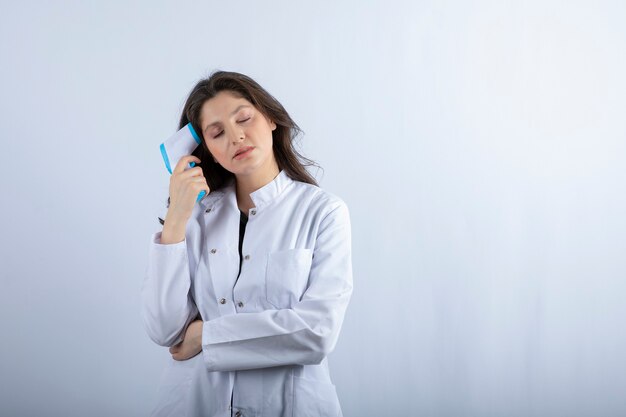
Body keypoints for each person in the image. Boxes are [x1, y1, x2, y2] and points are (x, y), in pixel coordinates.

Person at [141, 70, 353, 417]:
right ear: (203, 148)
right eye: (217, 132)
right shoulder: (194, 217)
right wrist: (177, 215)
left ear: (270, 118)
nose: (236, 136)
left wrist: (206, 337)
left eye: (244, 118)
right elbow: (165, 330)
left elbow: (317, 331)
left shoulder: (323, 212)